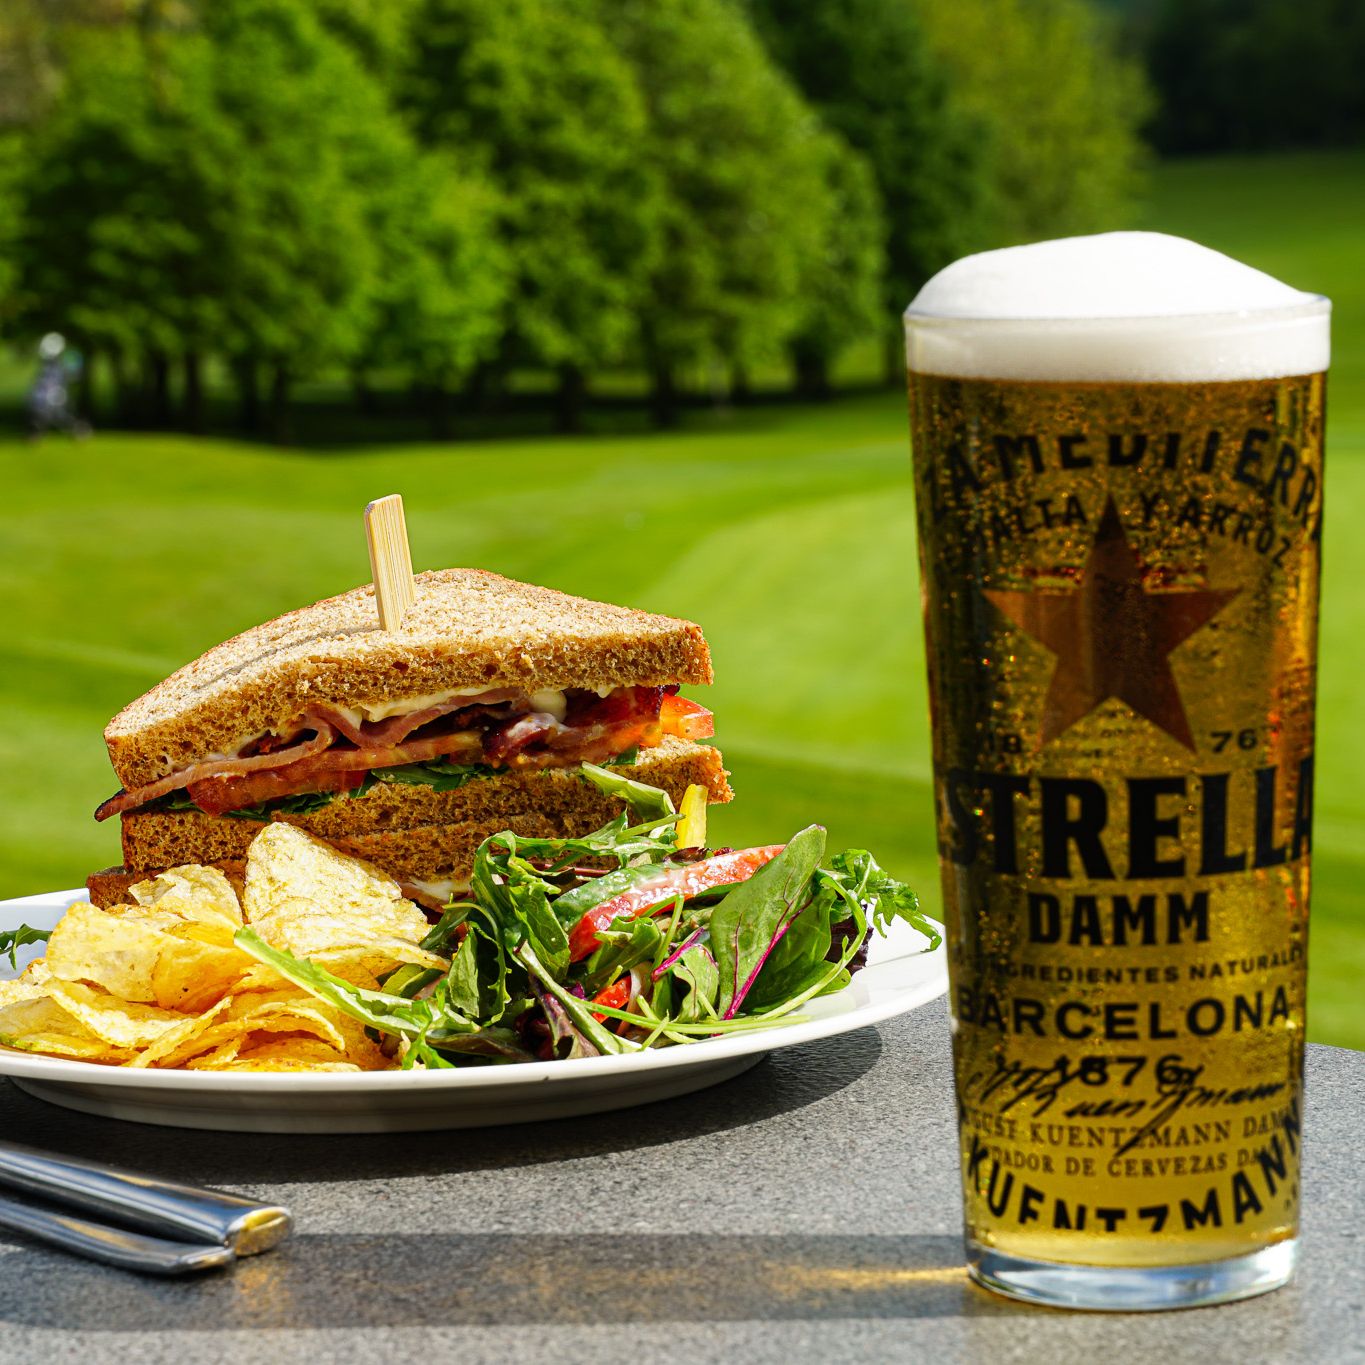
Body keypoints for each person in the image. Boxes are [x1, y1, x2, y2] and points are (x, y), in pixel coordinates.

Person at [27, 332, 91, 439]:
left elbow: (71, 376)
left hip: (56, 395)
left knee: (60, 415)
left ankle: (80, 430)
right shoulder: (48, 366)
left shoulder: (60, 364)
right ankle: (35, 433)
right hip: (47, 395)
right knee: (41, 413)